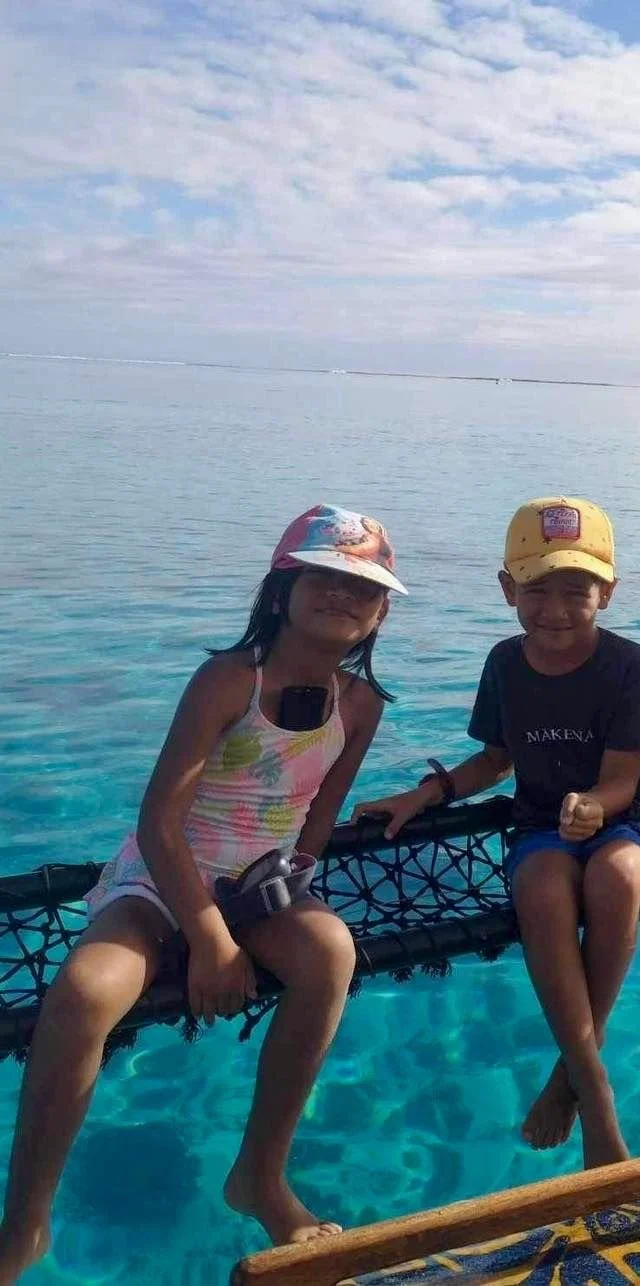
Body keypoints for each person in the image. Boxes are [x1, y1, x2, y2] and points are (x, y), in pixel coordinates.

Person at [0, 504, 403, 1283]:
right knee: (85, 993)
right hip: (161, 881)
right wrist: (212, 939)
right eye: (321, 577)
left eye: (364, 588)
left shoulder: (360, 706)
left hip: (258, 889)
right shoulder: (230, 681)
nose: (342, 596)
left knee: (330, 951)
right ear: (280, 591)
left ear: (381, 613)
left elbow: (318, 816)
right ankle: (26, 1222)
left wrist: (289, 886)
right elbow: (159, 821)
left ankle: (260, 1174)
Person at [352, 497, 640, 1169]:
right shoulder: (504, 662)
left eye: (576, 591)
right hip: (539, 825)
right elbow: (495, 761)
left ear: (607, 593)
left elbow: (624, 778)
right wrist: (428, 793)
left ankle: (578, 1083)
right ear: (508, 589)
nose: (554, 609)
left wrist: (593, 806)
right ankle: (590, 1081)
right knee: (542, 888)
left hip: (631, 820)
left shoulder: (629, 665)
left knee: (615, 876)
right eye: (536, 590)